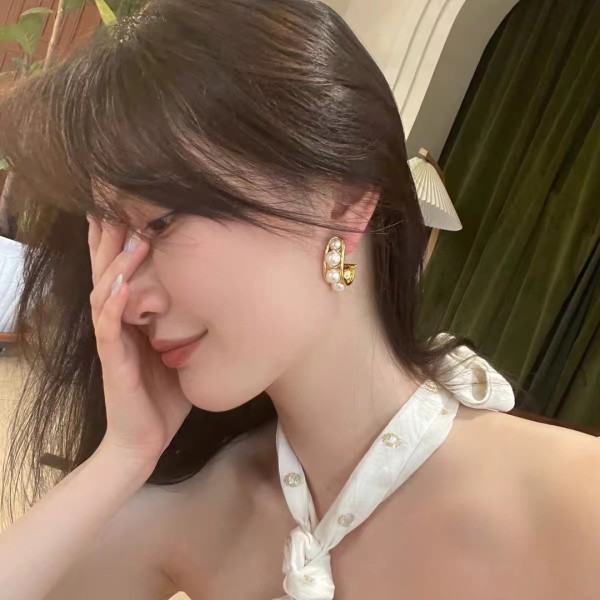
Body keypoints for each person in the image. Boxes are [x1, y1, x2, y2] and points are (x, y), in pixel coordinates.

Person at [0, 1, 598, 598]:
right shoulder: (197, 503)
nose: (126, 299)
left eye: (158, 224)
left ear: (344, 203)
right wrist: (123, 455)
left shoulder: (576, 505)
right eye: (113, 244)